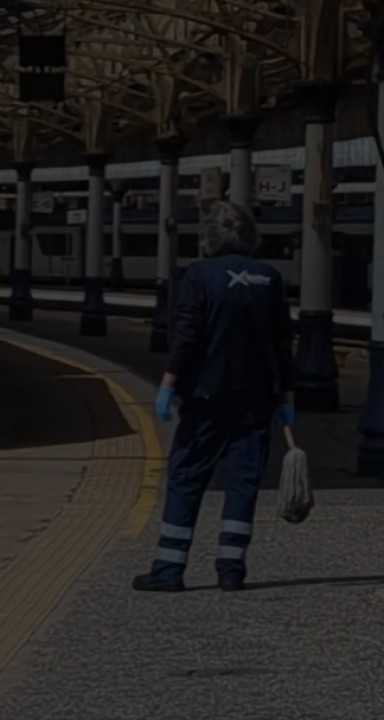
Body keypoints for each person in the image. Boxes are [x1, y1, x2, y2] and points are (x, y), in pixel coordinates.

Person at [133, 201, 295, 593]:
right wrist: (287, 397)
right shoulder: (269, 278)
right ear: (250, 236)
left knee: (187, 476)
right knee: (243, 481)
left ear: (209, 238)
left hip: (208, 396)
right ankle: (231, 569)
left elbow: (187, 335)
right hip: (257, 398)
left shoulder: (200, 275)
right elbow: (281, 343)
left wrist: (169, 383)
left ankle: (169, 569)